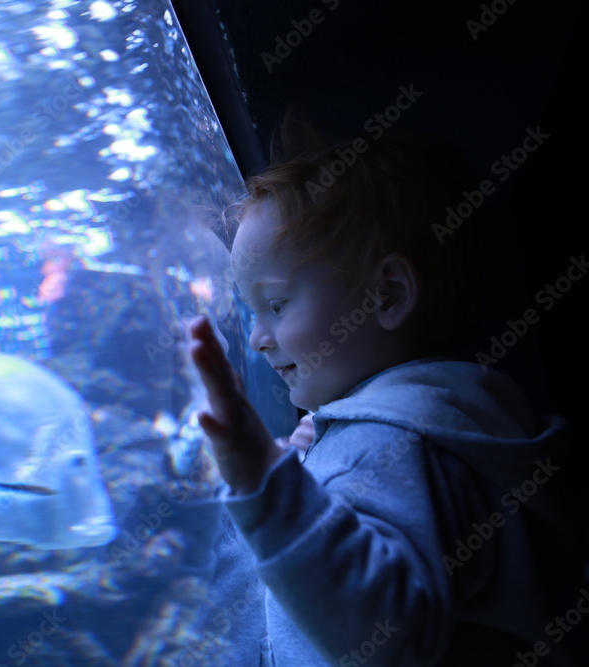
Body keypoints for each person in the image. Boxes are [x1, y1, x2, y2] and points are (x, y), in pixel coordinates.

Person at [188, 123, 586, 666]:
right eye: (251, 311)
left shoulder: (394, 446)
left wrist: (265, 481)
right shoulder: (425, 431)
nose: (258, 338)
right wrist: (314, 458)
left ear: (388, 295)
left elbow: (380, 638)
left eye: (276, 304)